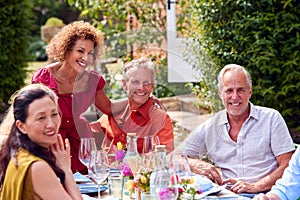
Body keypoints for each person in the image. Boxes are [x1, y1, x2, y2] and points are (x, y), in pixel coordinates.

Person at [182, 64, 295, 194]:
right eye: (229, 91)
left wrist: (256, 186)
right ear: (220, 94)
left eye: (241, 90)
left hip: (266, 194)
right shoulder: (210, 127)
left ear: (250, 92)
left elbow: (288, 164)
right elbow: (175, 157)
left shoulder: (271, 118)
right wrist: (193, 164)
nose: (235, 97)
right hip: (228, 195)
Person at [31, 20, 122, 174]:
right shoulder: (44, 78)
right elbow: (33, 115)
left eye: (90, 53)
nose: (85, 58)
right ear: (66, 50)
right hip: (50, 139)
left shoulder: (92, 80)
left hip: (81, 140)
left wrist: (138, 100)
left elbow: (108, 108)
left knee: (85, 188)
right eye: (80, 51)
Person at [0, 84, 82, 200]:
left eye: (54, 114)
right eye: (41, 118)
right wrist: (66, 169)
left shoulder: (17, 154)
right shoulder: (37, 167)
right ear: (21, 126)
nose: (51, 124)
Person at [90, 57, 174, 154]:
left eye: (146, 83)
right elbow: (85, 137)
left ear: (152, 86)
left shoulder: (160, 119)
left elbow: (166, 157)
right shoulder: (114, 114)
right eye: (135, 82)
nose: (141, 88)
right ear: (125, 85)